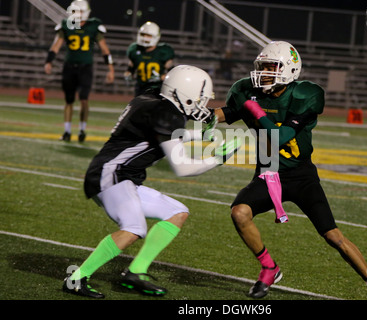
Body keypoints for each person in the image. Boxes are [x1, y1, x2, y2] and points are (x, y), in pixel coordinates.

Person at [207, 41, 367, 300]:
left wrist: (258, 112)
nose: (264, 74)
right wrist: (201, 115)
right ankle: (269, 267)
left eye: (271, 68)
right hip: (269, 174)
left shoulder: (305, 94)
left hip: (302, 177)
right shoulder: (247, 92)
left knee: (333, 236)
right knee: (239, 212)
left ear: (289, 69)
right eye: (262, 67)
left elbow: (281, 136)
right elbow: (227, 112)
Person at [62, 65, 240, 298]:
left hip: (121, 175)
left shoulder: (154, 99)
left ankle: (136, 271)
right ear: (184, 94)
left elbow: (163, 135)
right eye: (198, 99)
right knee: (134, 228)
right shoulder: (166, 112)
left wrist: (198, 135)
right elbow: (183, 167)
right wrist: (218, 158)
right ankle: (76, 278)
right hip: (111, 174)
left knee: (177, 212)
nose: (201, 105)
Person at [44, 0, 115, 143]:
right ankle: (67, 131)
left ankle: (82, 129)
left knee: (84, 99)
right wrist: (49, 61)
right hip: (69, 67)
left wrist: (111, 69)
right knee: (69, 100)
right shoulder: (68, 25)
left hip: (85, 68)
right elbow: (56, 45)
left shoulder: (93, 25)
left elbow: (105, 50)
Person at [124, 21, 175, 97]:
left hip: (157, 89)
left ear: (156, 37)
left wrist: (161, 77)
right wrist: (128, 75)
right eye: (143, 35)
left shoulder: (163, 52)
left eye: (148, 35)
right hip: (140, 89)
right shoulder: (135, 49)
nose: (145, 38)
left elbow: (172, 74)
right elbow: (129, 70)